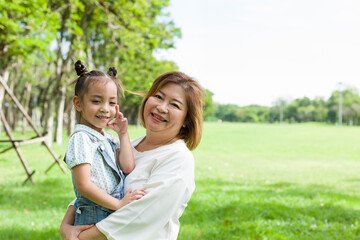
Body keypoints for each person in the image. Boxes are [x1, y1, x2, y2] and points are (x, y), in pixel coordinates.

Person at [60, 70, 204, 240]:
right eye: (158, 97)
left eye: (175, 105)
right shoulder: (127, 145)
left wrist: (81, 237)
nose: (161, 107)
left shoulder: (178, 159)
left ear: (186, 120)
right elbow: (93, 185)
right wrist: (67, 226)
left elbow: (140, 216)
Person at [65, 60, 145, 226]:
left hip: (111, 211)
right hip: (94, 214)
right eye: (96, 101)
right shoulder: (81, 138)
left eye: (112, 102)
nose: (105, 109)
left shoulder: (107, 138)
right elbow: (83, 184)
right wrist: (118, 204)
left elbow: (127, 167)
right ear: (78, 104)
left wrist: (123, 134)